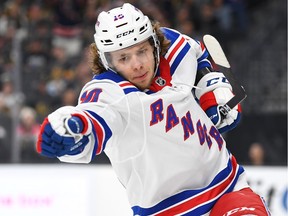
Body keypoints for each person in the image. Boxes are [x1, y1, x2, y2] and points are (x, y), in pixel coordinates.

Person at [36, 3, 270, 215]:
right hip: (169, 210)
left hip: (228, 188)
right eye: (124, 58)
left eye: (142, 51)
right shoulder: (110, 93)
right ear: (108, 63)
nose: (137, 64)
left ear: (155, 44)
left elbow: (198, 54)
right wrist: (72, 129)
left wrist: (211, 91)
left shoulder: (175, 48)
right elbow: (94, 119)